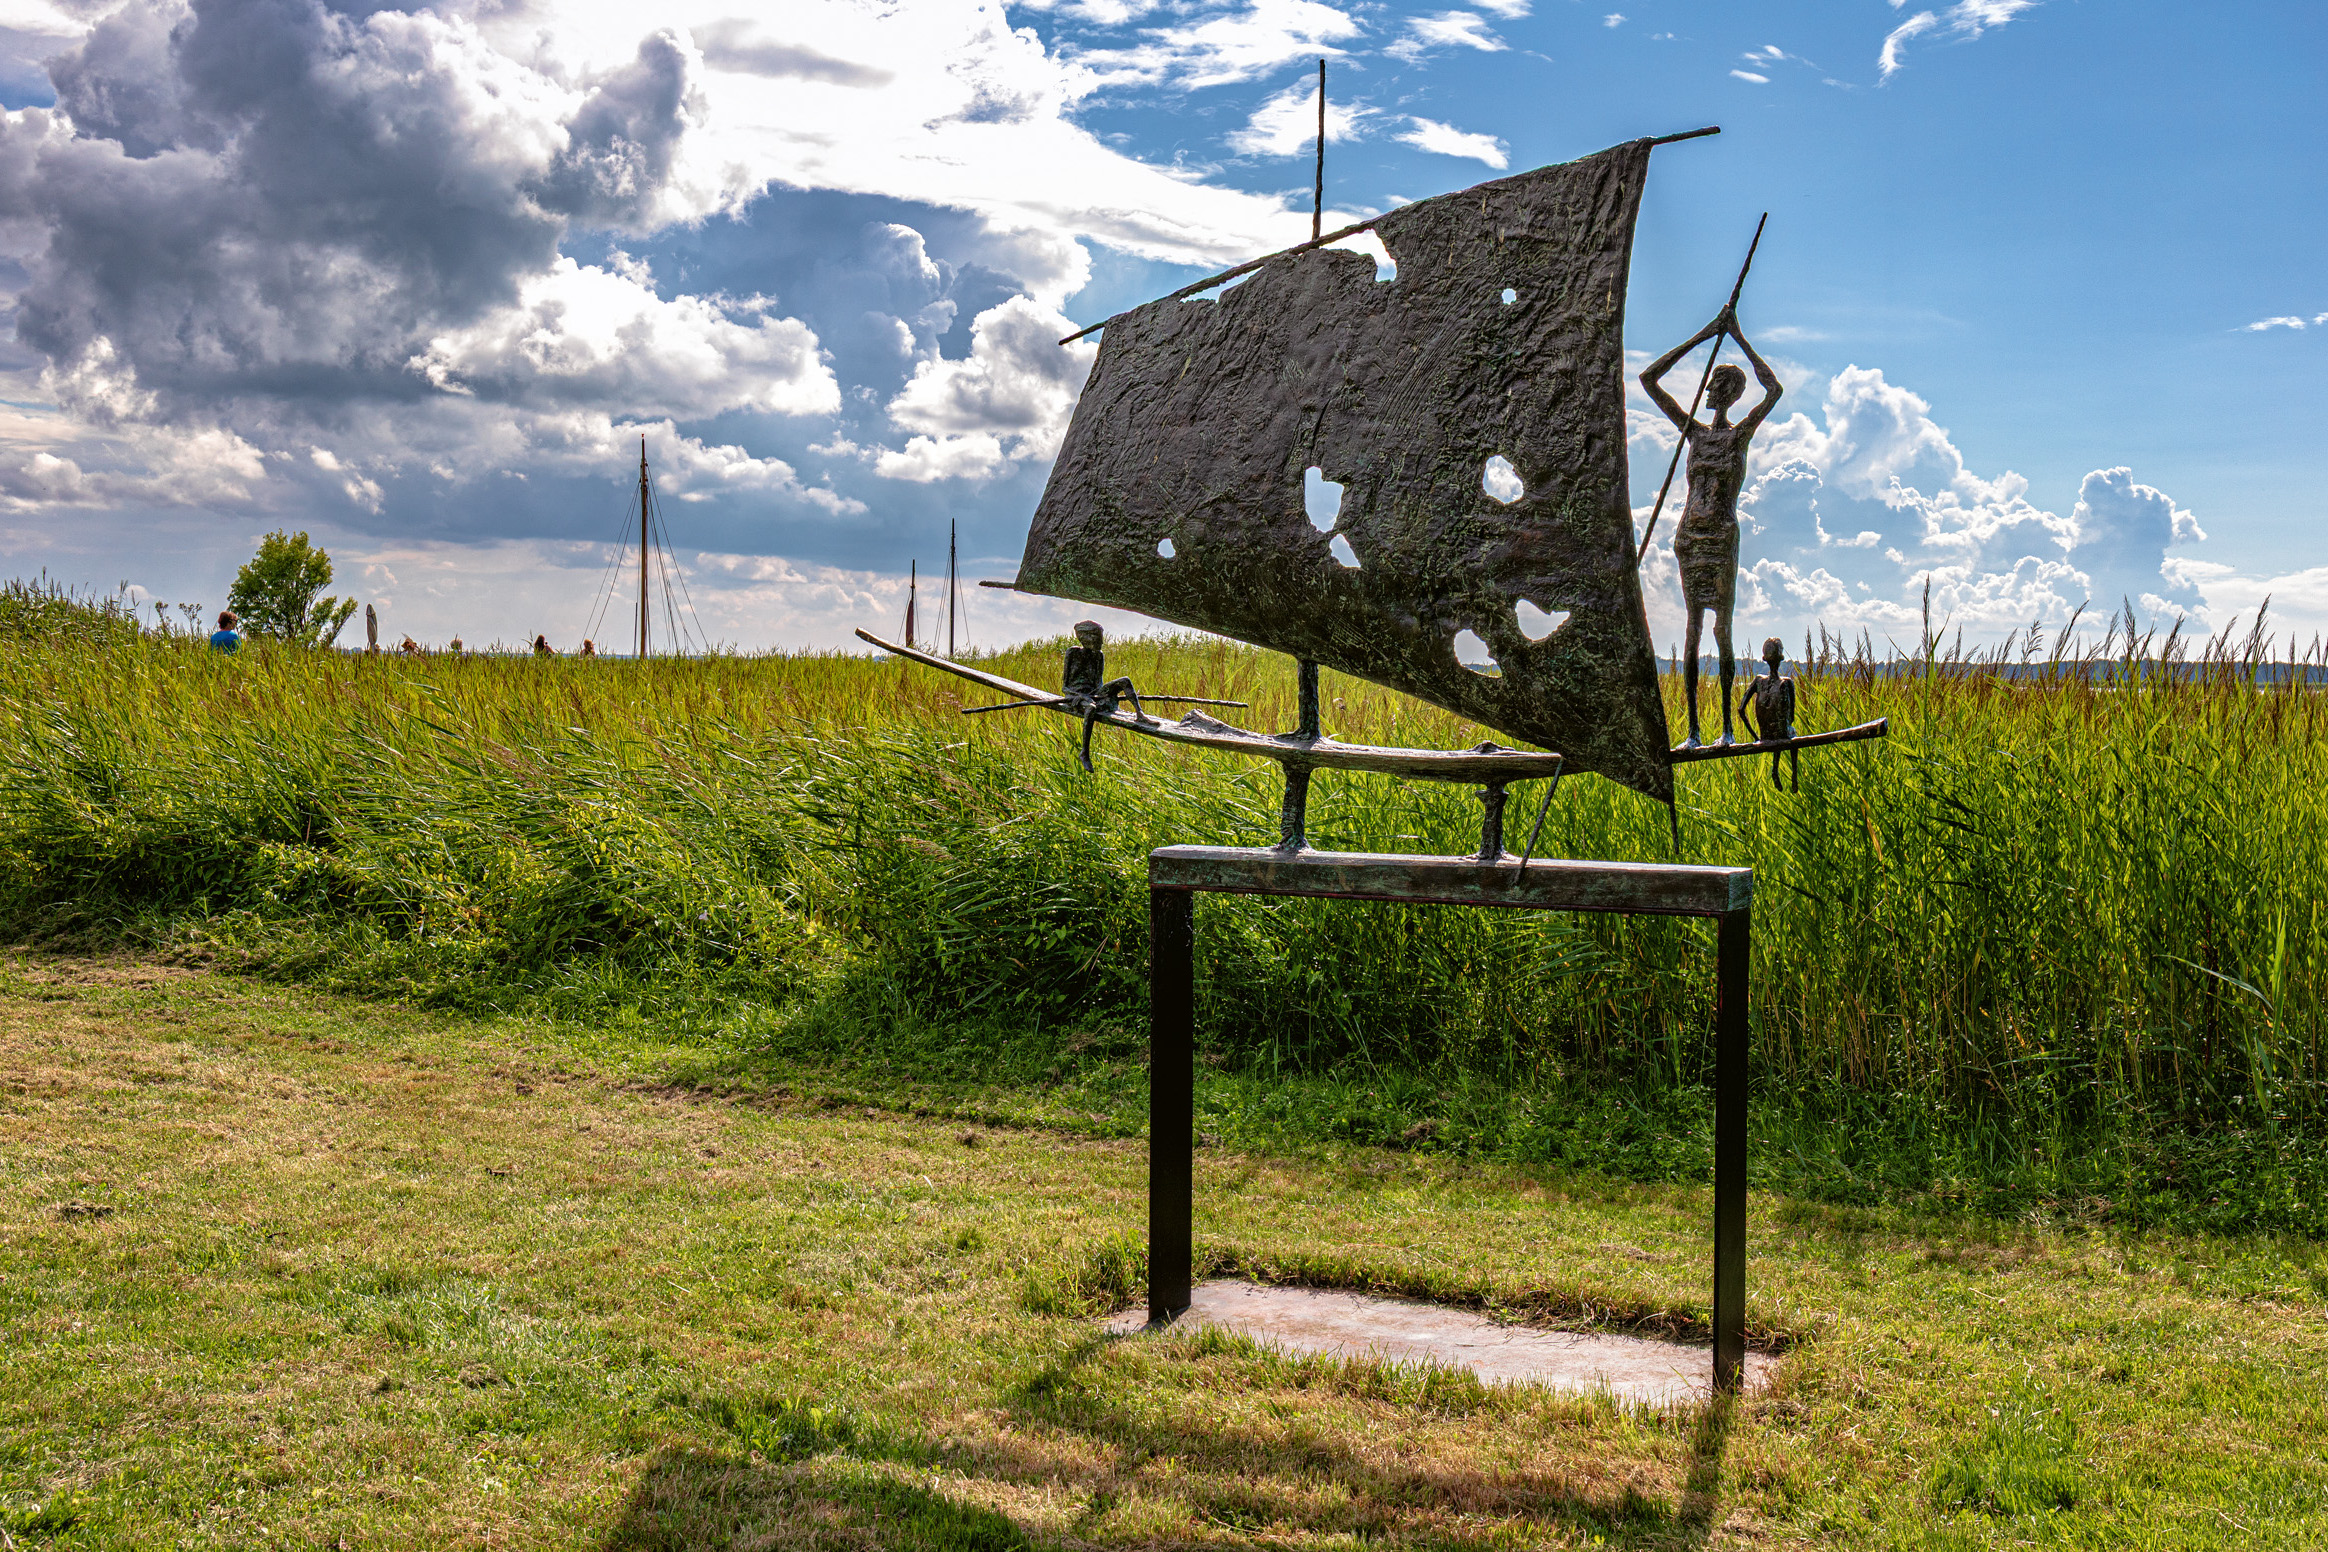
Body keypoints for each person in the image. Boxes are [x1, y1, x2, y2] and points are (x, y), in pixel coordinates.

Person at [1640, 304, 1783, 746]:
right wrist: (1703, 335)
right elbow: (1648, 380)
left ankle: (1724, 728)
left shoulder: (1738, 435)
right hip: (1689, 536)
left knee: (1721, 630)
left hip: (1721, 538)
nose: (1709, 389)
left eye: (1719, 383)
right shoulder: (1696, 433)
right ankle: (1694, 731)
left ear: (1732, 392)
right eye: (1711, 382)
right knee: (1691, 627)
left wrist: (1736, 334)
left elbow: (1774, 390)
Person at [1061, 620, 1149, 771]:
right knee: (1090, 709)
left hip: (1092, 694)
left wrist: (1105, 695)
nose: (1101, 641)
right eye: (1098, 638)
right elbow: (1065, 687)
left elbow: (1098, 684)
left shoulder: (1098, 656)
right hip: (1075, 696)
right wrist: (1081, 697)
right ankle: (1084, 753)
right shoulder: (1073, 653)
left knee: (1124, 681)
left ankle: (1139, 713)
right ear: (1085, 638)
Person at [1737, 636, 1799, 790]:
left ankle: (1775, 769)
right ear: (1781, 658)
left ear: (1764, 658)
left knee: (1780, 728)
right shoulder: (1787, 683)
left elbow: (1740, 709)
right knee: (1792, 732)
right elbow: (1791, 717)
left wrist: (1756, 737)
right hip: (1782, 734)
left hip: (1765, 736)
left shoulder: (1758, 681)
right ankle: (1794, 776)